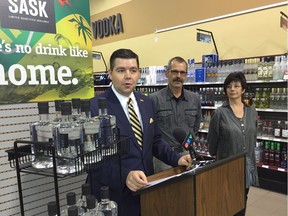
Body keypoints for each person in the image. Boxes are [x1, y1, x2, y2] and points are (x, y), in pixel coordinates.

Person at [88, 49, 192, 216]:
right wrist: (124, 176)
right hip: (115, 197)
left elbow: (155, 141)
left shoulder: (146, 102)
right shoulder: (95, 107)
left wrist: (176, 158)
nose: (128, 76)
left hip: (147, 188)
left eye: (133, 70)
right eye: (121, 70)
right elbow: (91, 159)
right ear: (110, 73)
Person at [207, 72, 259, 216]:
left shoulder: (252, 112)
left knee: (242, 201)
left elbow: (253, 138)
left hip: (246, 168)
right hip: (226, 167)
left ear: (243, 90)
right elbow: (212, 144)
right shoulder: (219, 113)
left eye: (236, 86)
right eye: (228, 86)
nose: (232, 89)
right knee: (226, 204)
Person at [149, 56, 202, 173]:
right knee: (164, 190)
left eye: (182, 72)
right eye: (175, 72)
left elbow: (195, 127)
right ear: (167, 73)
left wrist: (187, 146)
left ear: (186, 75)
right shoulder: (154, 99)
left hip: (186, 155)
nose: (178, 76)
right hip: (163, 158)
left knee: (185, 188)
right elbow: (151, 131)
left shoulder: (194, 99)